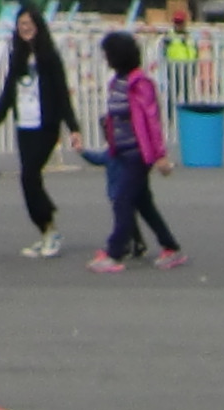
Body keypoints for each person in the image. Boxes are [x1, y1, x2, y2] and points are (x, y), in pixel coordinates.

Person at [78, 31, 184, 272]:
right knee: (143, 203)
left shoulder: (141, 83)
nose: (105, 58)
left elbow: (152, 120)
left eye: (108, 53)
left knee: (123, 200)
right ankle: (170, 246)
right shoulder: (116, 83)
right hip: (120, 151)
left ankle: (114, 252)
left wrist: (160, 155)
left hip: (137, 153)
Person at [0, 3, 81, 259]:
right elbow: (9, 91)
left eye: (28, 24)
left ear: (38, 26)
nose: (24, 29)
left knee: (29, 175)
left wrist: (73, 128)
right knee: (29, 179)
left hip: (46, 125)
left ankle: (50, 227)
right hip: (24, 125)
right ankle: (46, 230)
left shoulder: (49, 57)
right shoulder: (17, 56)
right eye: (21, 25)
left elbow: (62, 93)